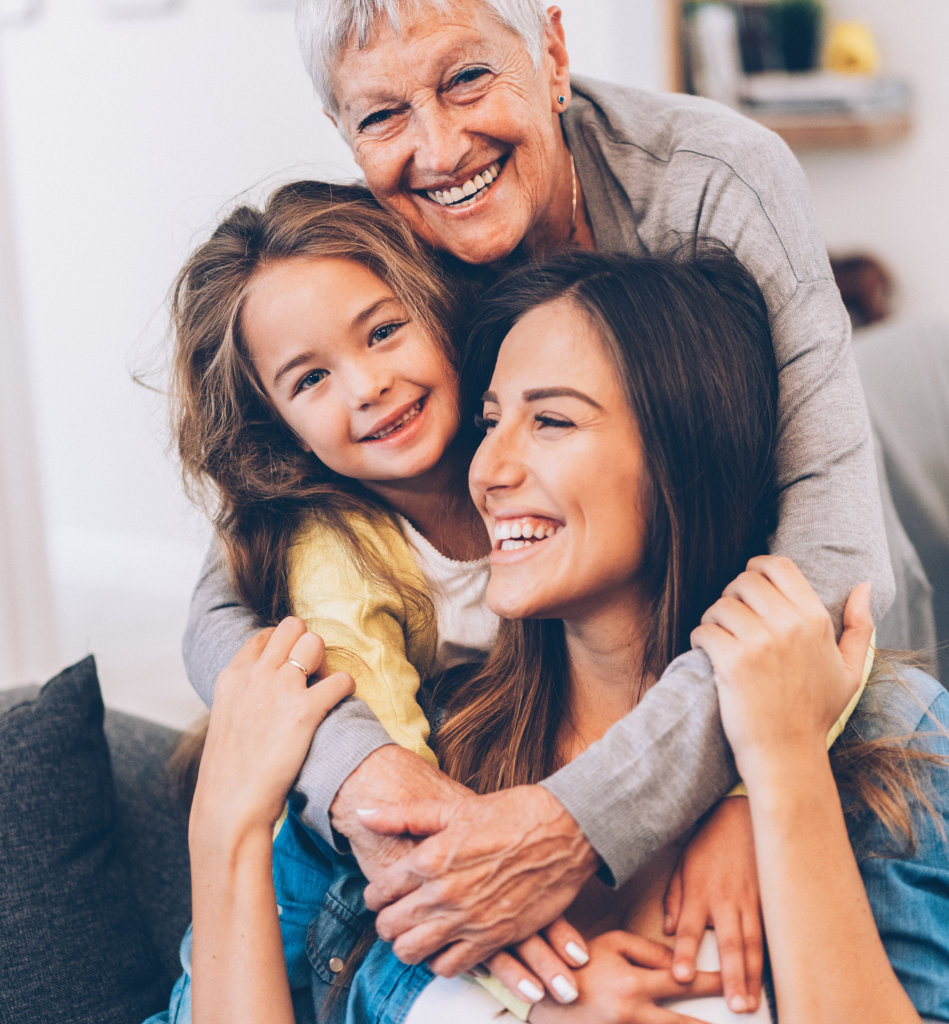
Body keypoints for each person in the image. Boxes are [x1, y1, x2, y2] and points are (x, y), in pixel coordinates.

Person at [180, 0, 931, 989]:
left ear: (554, 52)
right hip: (556, 682)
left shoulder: (706, 180)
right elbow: (225, 606)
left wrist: (748, 785)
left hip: (807, 656)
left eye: (465, 79)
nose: (439, 148)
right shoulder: (397, 247)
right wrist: (364, 781)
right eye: (382, 117)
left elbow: (832, 560)